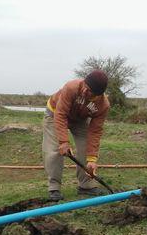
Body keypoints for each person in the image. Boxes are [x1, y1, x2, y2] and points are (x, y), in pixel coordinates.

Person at [42, 70, 110, 201]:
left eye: (89, 91)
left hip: (79, 119)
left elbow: (95, 131)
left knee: (85, 150)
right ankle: (54, 188)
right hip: (54, 113)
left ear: (98, 95)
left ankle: (86, 186)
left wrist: (92, 160)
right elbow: (60, 115)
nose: (85, 91)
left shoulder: (103, 106)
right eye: (85, 85)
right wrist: (63, 142)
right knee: (55, 150)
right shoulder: (71, 87)